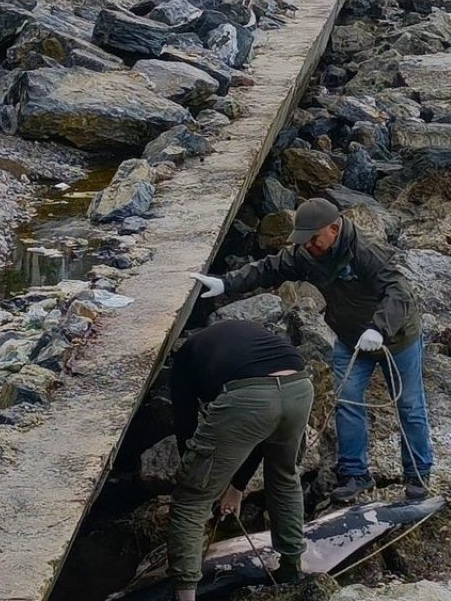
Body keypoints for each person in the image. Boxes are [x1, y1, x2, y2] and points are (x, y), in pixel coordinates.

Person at [191, 197, 434, 503]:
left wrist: (380, 328)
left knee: (410, 406)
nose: (308, 245)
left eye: (314, 238)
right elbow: (270, 268)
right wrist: (226, 283)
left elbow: (398, 290)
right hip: (350, 339)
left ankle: (418, 475)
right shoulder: (307, 254)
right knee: (347, 403)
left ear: (334, 229)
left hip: (397, 339)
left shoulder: (366, 250)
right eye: (304, 240)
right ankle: (354, 475)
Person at [166, 319, 315, 601]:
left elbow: (186, 427)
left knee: (191, 499)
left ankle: (184, 595)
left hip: (251, 396)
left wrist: (203, 479)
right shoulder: (239, 337)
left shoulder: (184, 360)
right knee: (284, 477)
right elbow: (260, 436)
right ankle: (291, 568)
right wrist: (235, 487)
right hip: (299, 387)